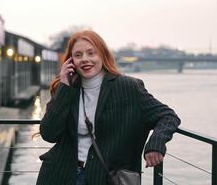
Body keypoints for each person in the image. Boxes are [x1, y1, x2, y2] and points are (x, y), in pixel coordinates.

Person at [36, 30, 181, 185]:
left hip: (105, 178)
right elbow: (49, 134)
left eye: (91, 53)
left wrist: (156, 143)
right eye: (78, 55)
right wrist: (64, 86)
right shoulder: (68, 90)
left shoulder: (128, 87)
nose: (85, 59)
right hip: (61, 175)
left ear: (102, 55)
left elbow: (168, 116)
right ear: (71, 61)